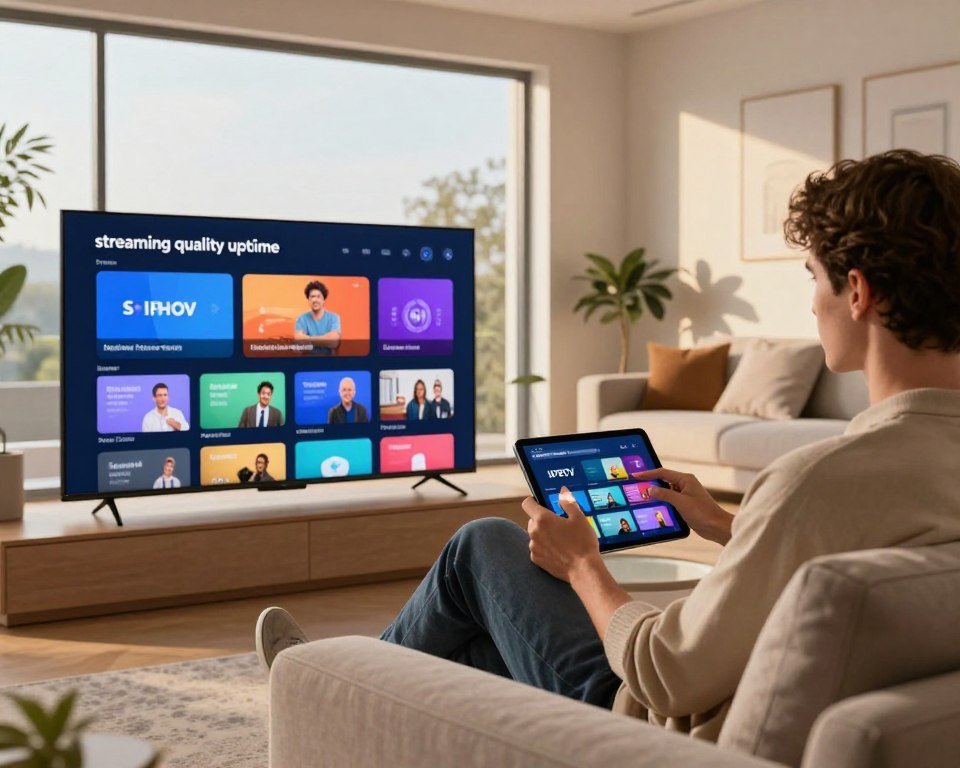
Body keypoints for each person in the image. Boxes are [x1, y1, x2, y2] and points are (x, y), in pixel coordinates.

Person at [256, 150, 960, 740]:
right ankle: (338, 683)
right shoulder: (896, 471)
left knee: (482, 547)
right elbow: (865, 557)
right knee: (472, 639)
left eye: (814, 277)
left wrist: (584, 565)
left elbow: (665, 671)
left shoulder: (817, 481)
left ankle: (320, 684)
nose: (812, 303)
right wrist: (724, 525)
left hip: (647, 724)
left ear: (859, 292)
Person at [294, 280, 341, 355]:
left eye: (318, 296)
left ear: (324, 300)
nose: (315, 300)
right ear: (308, 300)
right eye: (312, 297)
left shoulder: (334, 318)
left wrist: (308, 339)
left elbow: (333, 342)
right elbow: (299, 344)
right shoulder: (301, 319)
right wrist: (325, 339)